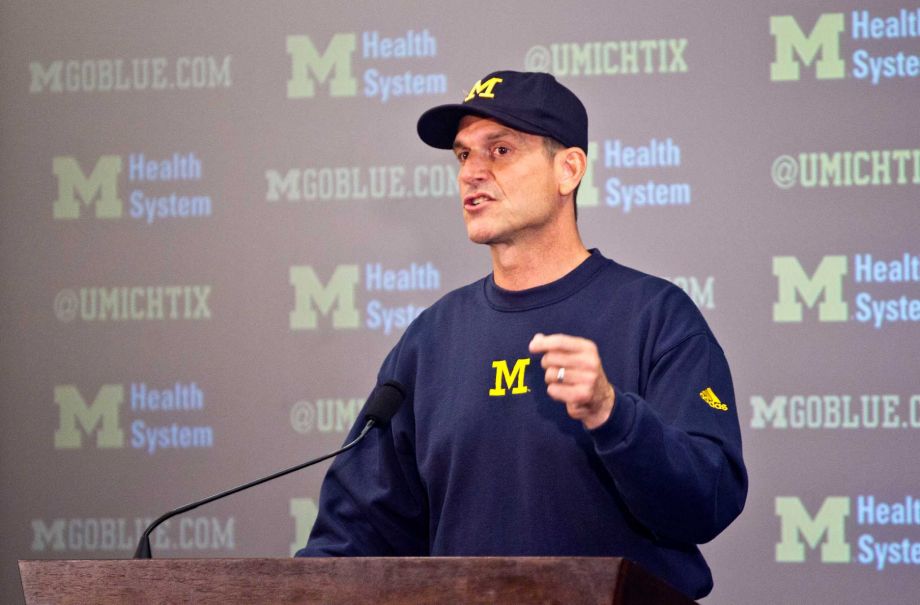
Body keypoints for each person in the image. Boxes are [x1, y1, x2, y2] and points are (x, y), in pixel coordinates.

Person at [296, 70, 748, 600]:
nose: (472, 173)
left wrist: (612, 414)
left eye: (501, 150)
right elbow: (354, 535)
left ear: (568, 170)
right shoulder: (430, 340)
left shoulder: (656, 316)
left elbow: (708, 498)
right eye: (464, 156)